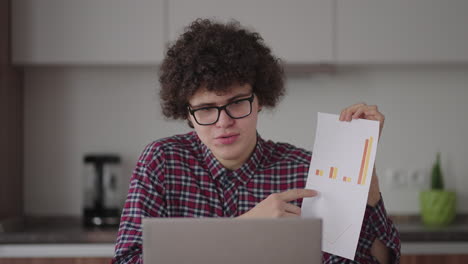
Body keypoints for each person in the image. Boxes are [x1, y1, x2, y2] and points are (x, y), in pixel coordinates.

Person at [112, 18, 401, 264]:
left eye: (237, 103)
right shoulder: (162, 162)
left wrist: (366, 181)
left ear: (260, 100)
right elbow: (129, 259)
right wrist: (245, 228)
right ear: (187, 113)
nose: (223, 121)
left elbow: (370, 260)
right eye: (206, 109)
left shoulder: (304, 171)